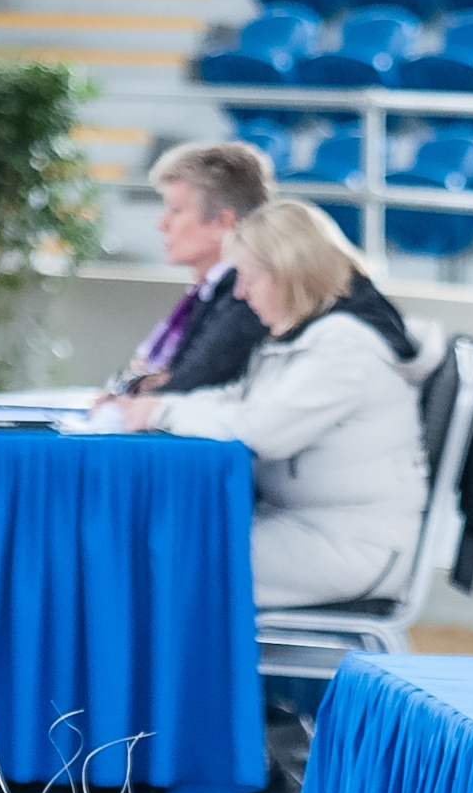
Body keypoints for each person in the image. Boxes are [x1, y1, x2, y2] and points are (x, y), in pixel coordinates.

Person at [95, 198, 437, 607]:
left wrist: (160, 411)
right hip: (301, 525)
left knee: (157, 559)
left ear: (288, 275)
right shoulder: (307, 336)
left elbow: (259, 429)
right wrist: (153, 407)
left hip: (350, 544)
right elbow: (238, 400)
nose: (239, 293)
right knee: (151, 544)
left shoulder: (345, 346)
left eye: (248, 278)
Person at [123, 140, 275, 396]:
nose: (163, 223)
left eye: (176, 210)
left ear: (223, 221)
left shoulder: (246, 295)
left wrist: (142, 386)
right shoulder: (207, 291)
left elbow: (183, 387)